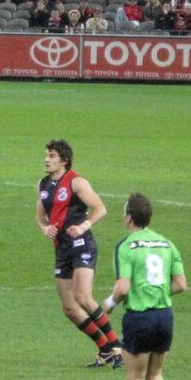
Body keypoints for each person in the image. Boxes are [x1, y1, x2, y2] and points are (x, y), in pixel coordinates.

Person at [102, 193, 189, 380]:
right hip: (165, 317)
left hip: (139, 318)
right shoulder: (167, 243)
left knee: (137, 377)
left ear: (129, 216)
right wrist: (158, 292)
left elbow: (122, 288)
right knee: (156, 375)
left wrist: (106, 306)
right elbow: (181, 285)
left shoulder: (126, 246)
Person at [36, 139, 121, 367]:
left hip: (82, 245)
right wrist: (46, 228)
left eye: (52, 156)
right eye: (47, 155)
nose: (47, 159)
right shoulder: (42, 185)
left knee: (83, 297)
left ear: (64, 160)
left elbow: (100, 208)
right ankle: (105, 350)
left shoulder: (76, 182)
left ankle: (116, 345)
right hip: (61, 249)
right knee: (70, 309)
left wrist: (83, 226)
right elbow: (40, 217)